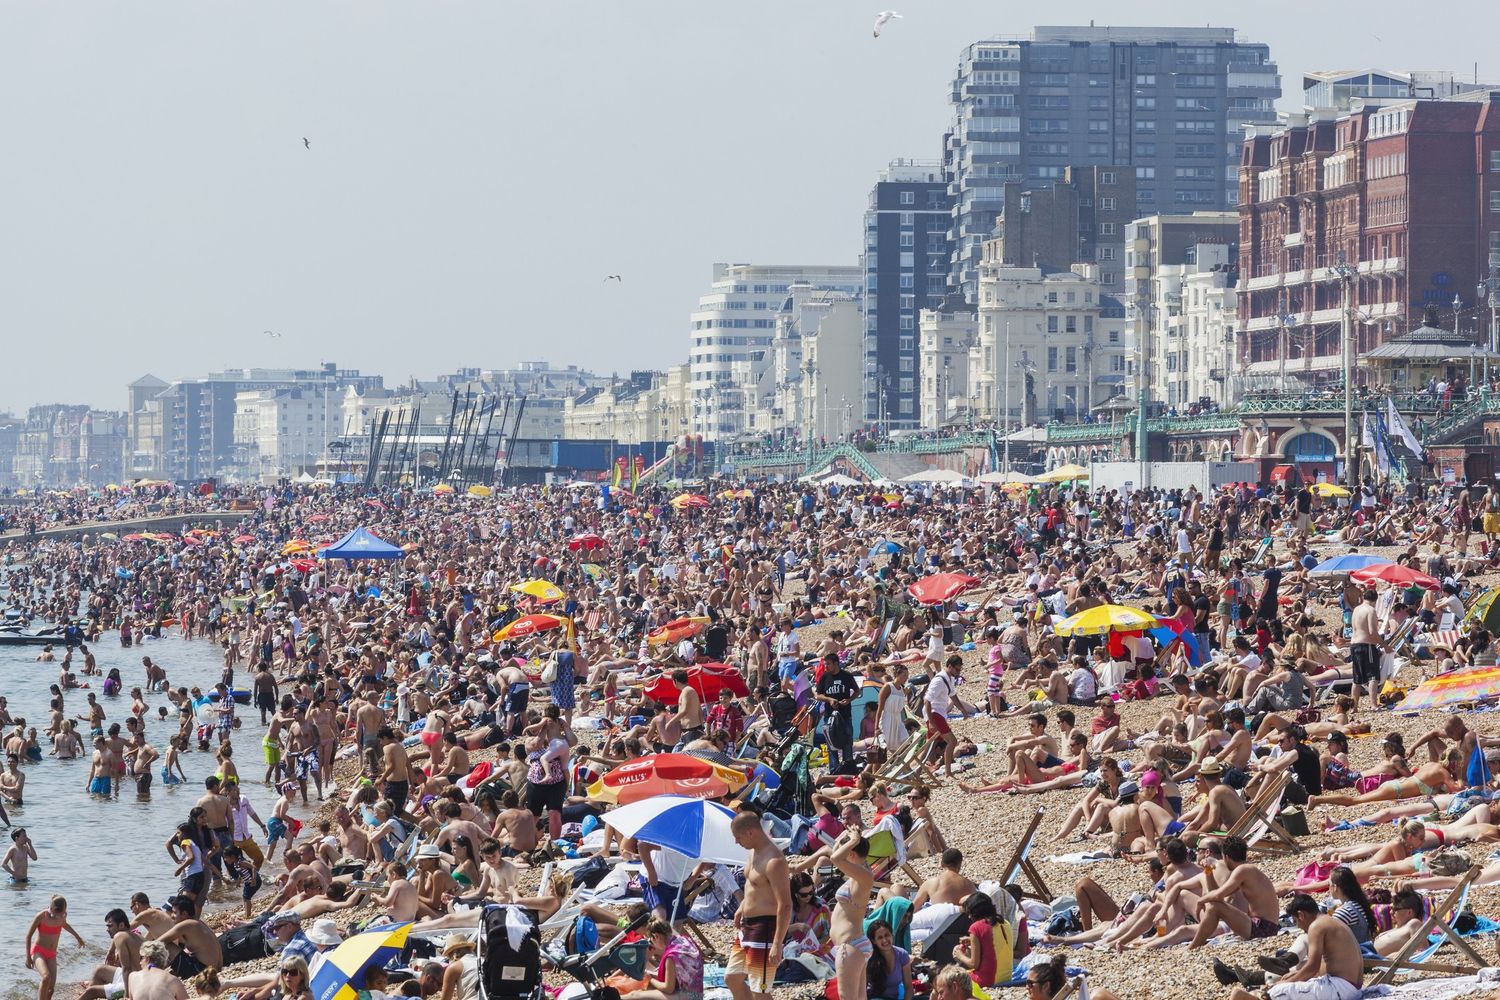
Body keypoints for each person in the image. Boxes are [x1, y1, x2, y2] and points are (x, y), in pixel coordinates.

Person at [1227, 894, 1363, 1000]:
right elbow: (1332, 963)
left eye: (1296, 921)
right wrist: (1297, 975)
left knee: (1278, 991)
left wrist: (1289, 981)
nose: (1298, 926)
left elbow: (1313, 967)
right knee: (1290, 983)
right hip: (1352, 987)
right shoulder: (1330, 921)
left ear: (1301, 915)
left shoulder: (1316, 926)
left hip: (1342, 989)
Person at [726, 812, 791, 1000]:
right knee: (732, 977)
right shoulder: (753, 852)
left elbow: (786, 905)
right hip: (747, 925)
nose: (736, 842)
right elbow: (754, 886)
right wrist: (742, 907)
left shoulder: (775, 861)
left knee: (760, 991)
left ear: (750, 832)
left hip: (765, 928)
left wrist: (778, 943)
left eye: (738, 837)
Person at [829, 829, 877, 1000]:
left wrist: (853, 840)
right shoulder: (858, 872)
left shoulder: (865, 876)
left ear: (851, 853)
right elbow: (835, 853)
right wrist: (844, 835)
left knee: (847, 997)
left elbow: (834, 858)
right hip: (853, 944)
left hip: (850, 944)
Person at [623, 918, 704, 1000]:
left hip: (690, 997)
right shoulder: (685, 940)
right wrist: (649, 975)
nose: (653, 945)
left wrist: (649, 978)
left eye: (651, 941)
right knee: (646, 985)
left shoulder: (671, 956)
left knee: (635, 995)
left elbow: (668, 989)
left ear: (656, 936)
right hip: (697, 992)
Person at [26, 895, 85, 1000]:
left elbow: (65, 925)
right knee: (46, 977)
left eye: (61, 914)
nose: (58, 917)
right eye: (56, 914)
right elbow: (28, 936)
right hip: (38, 951)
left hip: (52, 954)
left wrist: (78, 937)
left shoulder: (62, 916)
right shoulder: (41, 916)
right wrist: (28, 957)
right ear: (51, 908)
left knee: (51, 989)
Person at [866, 918, 912, 1000]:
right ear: (874, 941)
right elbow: (862, 986)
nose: (884, 940)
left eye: (887, 935)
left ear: (892, 935)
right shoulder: (869, 957)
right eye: (880, 937)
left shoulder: (902, 954)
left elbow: (908, 986)